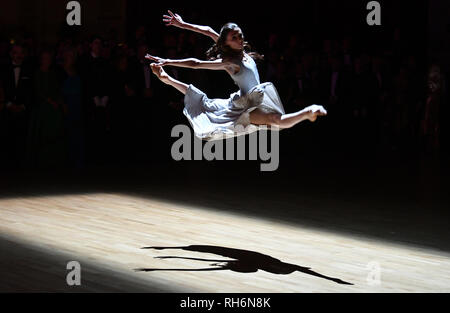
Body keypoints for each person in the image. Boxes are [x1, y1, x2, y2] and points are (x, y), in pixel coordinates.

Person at [146, 10, 327, 141]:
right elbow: (196, 64)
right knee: (274, 120)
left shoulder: (242, 53)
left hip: (255, 97)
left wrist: (183, 24)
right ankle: (308, 112)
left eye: (239, 35)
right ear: (227, 43)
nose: (240, 40)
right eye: (234, 38)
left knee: (274, 122)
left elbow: (209, 31)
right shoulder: (230, 63)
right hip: (246, 104)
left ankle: (307, 113)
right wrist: (167, 61)